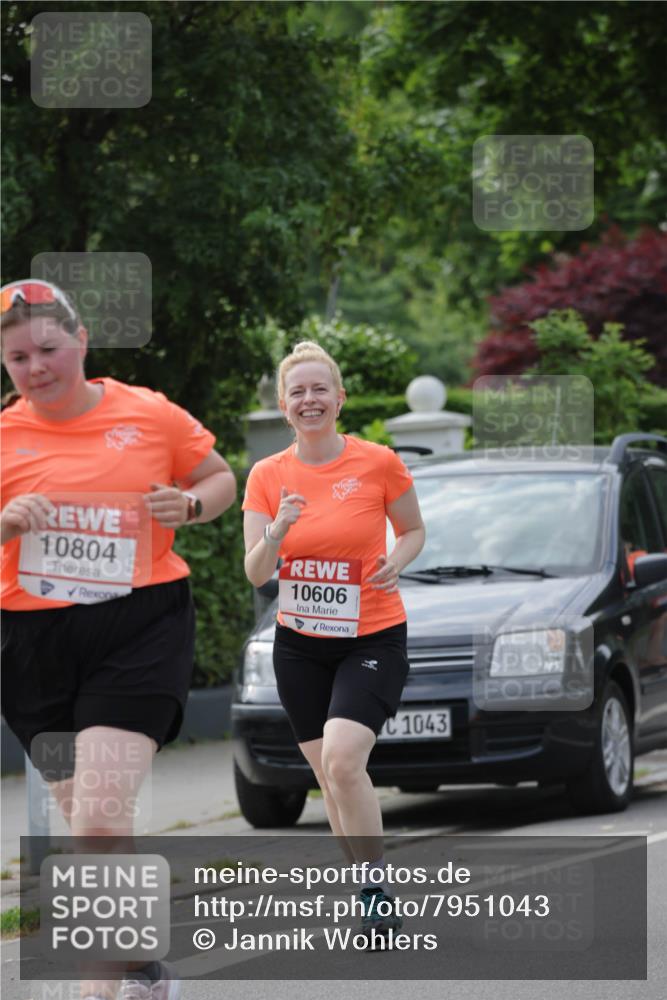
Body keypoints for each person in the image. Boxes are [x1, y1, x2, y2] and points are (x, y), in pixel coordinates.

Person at [1, 279, 237, 1000]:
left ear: (81, 343)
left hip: (139, 622)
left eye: (47, 348)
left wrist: (190, 504)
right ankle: (139, 966)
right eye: (16, 358)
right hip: (31, 641)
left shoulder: (149, 414)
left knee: (100, 815)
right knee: (92, 826)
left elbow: (219, 477)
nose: (36, 367)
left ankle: (97, 991)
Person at [242, 340, 425, 941]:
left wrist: (395, 561)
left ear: (339, 399)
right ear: (283, 405)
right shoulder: (268, 476)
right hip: (299, 644)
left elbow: (414, 530)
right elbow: (255, 571)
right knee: (329, 779)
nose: (309, 399)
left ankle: (374, 889)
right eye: (298, 392)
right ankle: (367, 886)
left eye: (320, 389)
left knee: (346, 761)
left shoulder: (377, 462)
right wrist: (277, 529)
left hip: (371, 634)